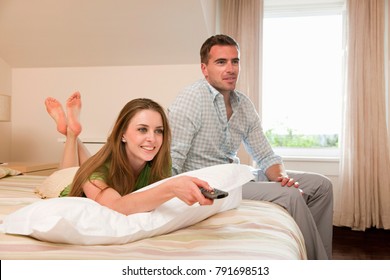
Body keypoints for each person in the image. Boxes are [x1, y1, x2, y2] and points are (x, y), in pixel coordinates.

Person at [168, 34, 333, 260]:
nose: (230, 69)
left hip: (240, 175)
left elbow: (265, 155)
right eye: (221, 62)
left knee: (321, 186)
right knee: (291, 196)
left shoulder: (243, 104)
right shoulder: (192, 98)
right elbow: (172, 159)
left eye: (235, 61)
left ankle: (317, 254)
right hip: (214, 184)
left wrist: (282, 177)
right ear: (204, 69)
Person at [44, 92, 214, 215]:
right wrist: (172, 187)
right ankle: (72, 134)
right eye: (142, 129)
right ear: (123, 134)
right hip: (64, 185)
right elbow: (116, 206)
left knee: (91, 165)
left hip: (97, 173)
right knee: (69, 172)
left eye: (158, 131)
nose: (152, 139)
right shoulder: (93, 174)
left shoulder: (161, 160)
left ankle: (71, 131)